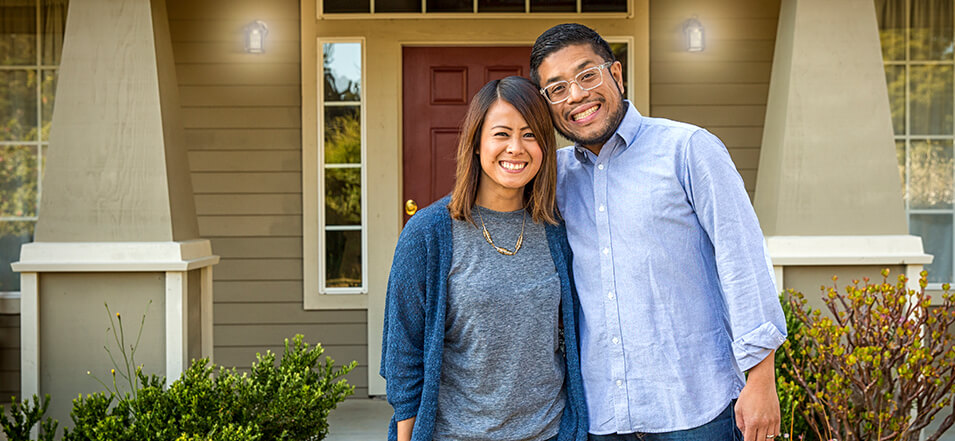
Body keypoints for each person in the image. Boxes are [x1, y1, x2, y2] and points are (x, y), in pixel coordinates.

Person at [529, 23, 787, 441]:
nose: (575, 95)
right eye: (557, 89)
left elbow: (743, 260)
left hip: (697, 409)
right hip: (601, 416)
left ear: (616, 74)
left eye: (587, 75)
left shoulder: (688, 150)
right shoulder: (553, 177)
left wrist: (760, 380)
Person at [380, 76, 589, 441]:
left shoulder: (557, 228)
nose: (516, 148)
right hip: (457, 434)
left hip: (550, 433)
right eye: (501, 134)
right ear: (476, 143)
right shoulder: (429, 233)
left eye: (529, 135)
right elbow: (403, 351)